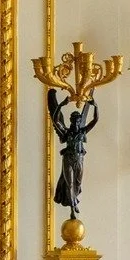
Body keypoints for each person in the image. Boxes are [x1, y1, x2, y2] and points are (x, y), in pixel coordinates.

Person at [48, 88, 98, 221]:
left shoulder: (82, 132)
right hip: (68, 159)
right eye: (74, 121)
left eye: (78, 121)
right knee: (69, 183)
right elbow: (55, 120)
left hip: (79, 159)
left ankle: (74, 200)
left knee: (77, 183)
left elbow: (95, 120)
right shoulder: (66, 133)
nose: (76, 123)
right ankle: (72, 209)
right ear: (71, 121)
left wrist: (95, 106)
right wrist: (61, 105)